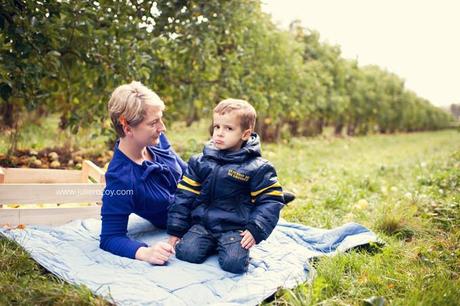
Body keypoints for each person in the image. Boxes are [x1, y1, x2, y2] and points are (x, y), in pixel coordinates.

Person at [167, 99, 284, 274]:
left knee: (234, 264)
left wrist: (255, 229)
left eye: (228, 128)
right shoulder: (200, 161)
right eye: (217, 127)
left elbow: (271, 200)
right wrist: (176, 230)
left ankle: (228, 247)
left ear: (245, 134)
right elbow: (185, 194)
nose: (220, 133)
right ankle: (209, 244)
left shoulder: (258, 167)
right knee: (185, 253)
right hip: (203, 225)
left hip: (235, 229)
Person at [99, 81, 186, 265]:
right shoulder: (120, 180)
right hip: (190, 224)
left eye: (160, 119)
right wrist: (145, 253)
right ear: (127, 126)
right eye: (154, 122)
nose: (162, 128)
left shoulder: (157, 140)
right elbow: (110, 237)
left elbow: (188, 172)